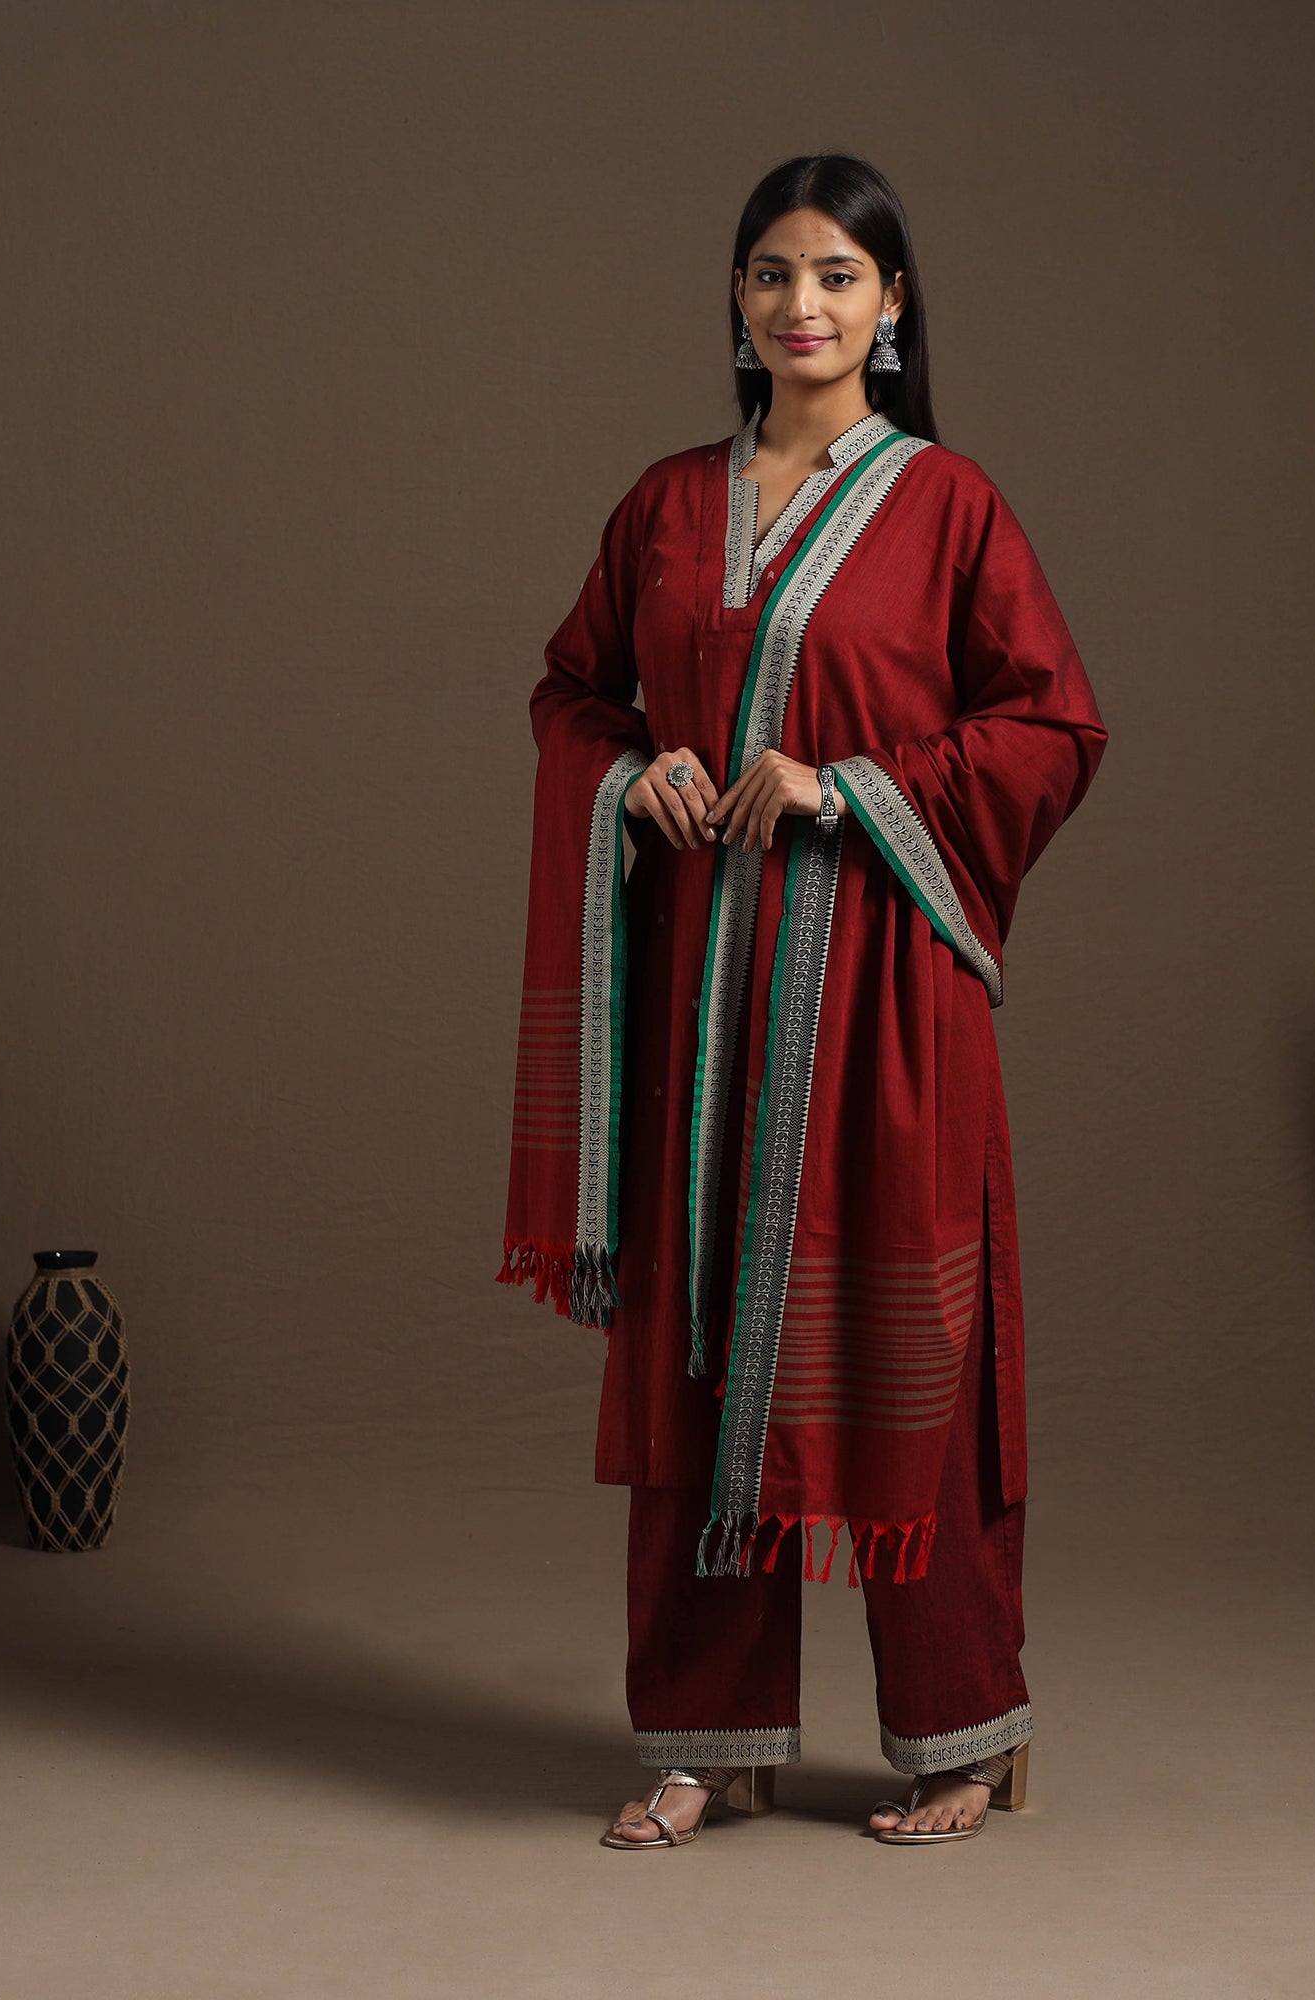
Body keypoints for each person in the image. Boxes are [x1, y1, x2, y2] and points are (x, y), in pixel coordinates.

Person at [498, 153, 1107, 1848]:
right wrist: (634, 775)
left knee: (911, 1357)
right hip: (698, 1006)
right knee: (693, 1343)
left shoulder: (951, 507)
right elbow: (572, 694)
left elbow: (1054, 728)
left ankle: (965, 1735)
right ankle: (706, 1739)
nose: (803, 305)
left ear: (892, 305)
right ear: (738, 299)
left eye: (839, 275)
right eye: (773, 273)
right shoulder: (665, 508)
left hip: (882, 994)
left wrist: (849, 788)